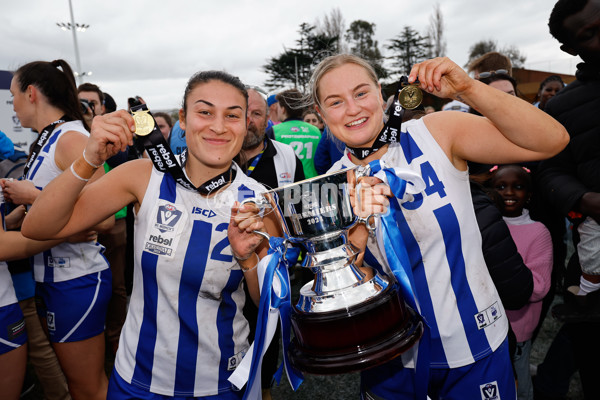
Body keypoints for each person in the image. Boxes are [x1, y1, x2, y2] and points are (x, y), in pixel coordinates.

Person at [308, 54, 568, 399]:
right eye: (335, 102)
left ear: (380, 92)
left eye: (361, 93)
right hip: (388, 357)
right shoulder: (330, 184)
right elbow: (349, 287)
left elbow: (552, 139)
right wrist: (358, 230)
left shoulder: (436, 133)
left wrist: (468, 89)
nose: (353, 109)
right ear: (321, 112)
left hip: (476, 348)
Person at [22, 70, 273, 399]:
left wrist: (248, 259)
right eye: (205, 112)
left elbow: (266, 302)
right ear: (182, 119)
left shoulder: (259, 200)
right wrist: (89, 158)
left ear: (246, 125)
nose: (219, 126)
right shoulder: (145, 176)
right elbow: (37, 227)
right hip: (137, 380)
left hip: (219, 384)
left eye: (232, 115)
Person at [5, 60, 113, 400]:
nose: (13, 104)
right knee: (78, 383)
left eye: (14, 96)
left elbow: (106, 216)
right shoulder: (49, 138)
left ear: (31, 93)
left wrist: (32, 197)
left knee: (87, 386)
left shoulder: (69, 138)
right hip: (55, 279)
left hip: (77, 278)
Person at [240, 87, 304, 400]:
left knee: (266, 339)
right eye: (242, 113)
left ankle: (264, 392)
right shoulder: (214, 157)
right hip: (222, 272)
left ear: (269, 118)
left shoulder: (286, 156)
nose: (249, 122)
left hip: (269, 271)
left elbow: (297, 210)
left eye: (257, 114)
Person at [490, 165, 553, 400]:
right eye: (501, 186)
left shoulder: (538, 232)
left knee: (519, 380)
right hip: (488, 325)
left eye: (518, 187)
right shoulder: (485, 226)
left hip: (518, 327)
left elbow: (540, 286)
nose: (509, 193)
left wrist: (500, 276)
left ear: (529, 195)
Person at [266, 89, 321, 179]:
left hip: (286, 183)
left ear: (283, 109)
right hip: (313, 182)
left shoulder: (274, 131)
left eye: (279, 107)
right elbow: (321, 160)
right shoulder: (315, 130)